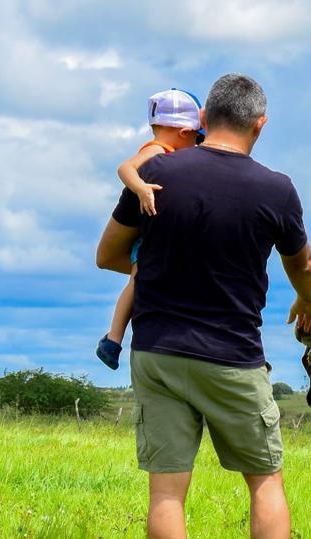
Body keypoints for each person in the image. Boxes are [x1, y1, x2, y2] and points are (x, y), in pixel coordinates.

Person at [95, 73, 311, 539]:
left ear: (204, 121)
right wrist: (308, 300)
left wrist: (157, 264)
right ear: (259, 124)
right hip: (234, 356)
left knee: (167, 494)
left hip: (157, 350)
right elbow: (303, 263)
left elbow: (108, 255)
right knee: (265, 481)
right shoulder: (277, 188)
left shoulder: (156, 171)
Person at [96, 88, 206, 370]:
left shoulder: (166, 153)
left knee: (137, 282)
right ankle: (114, 339)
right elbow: (125, 168)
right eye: (196, 138)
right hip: (147, 240)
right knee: (137, 280)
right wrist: (141, 188)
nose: (196, 146)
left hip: (154, 237)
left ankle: (114, 338)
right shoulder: (157, 151)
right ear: (182, 132)